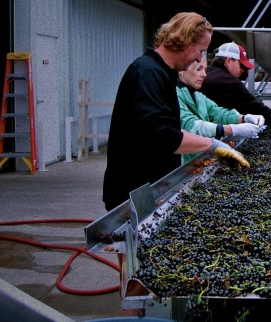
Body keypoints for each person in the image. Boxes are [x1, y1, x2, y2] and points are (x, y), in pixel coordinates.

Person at [103, 12, 250, 212]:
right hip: (133, 190)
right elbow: (163, 136)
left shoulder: (163, 73)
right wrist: (214, 145)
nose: (200, 58)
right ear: (185, 41)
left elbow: (170, 128)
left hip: (151, 186)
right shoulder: (147, 73)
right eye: (200, 51)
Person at [177, 58, 266, 164]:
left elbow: (218, 113)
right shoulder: (173, 96)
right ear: (182, 70)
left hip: (198, 159)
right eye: (198, 69)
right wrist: (232, 129)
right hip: (179, 164)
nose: (204, 74)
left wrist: (243, 118)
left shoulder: (198, 95)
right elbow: (190, 125)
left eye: (205, 69)